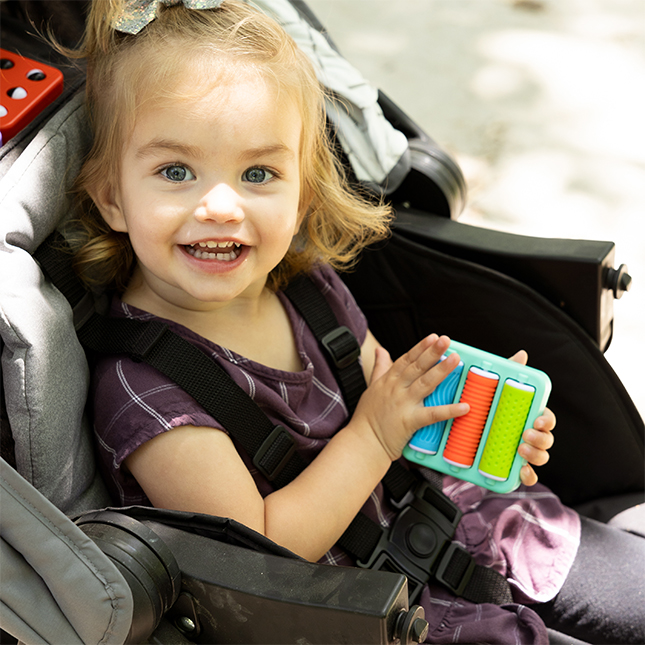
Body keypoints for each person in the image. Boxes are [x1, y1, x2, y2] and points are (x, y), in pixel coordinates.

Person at [63, 1, 644, 643]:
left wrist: (482, 427)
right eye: (176, 171)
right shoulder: (145, 391)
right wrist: (373, 433)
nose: (221, 205)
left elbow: (393, 396)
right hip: (371, 611)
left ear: (303, 193)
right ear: (112, 196)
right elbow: (263, 555)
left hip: (456, 517)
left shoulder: (305, 284)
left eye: (259, 173)